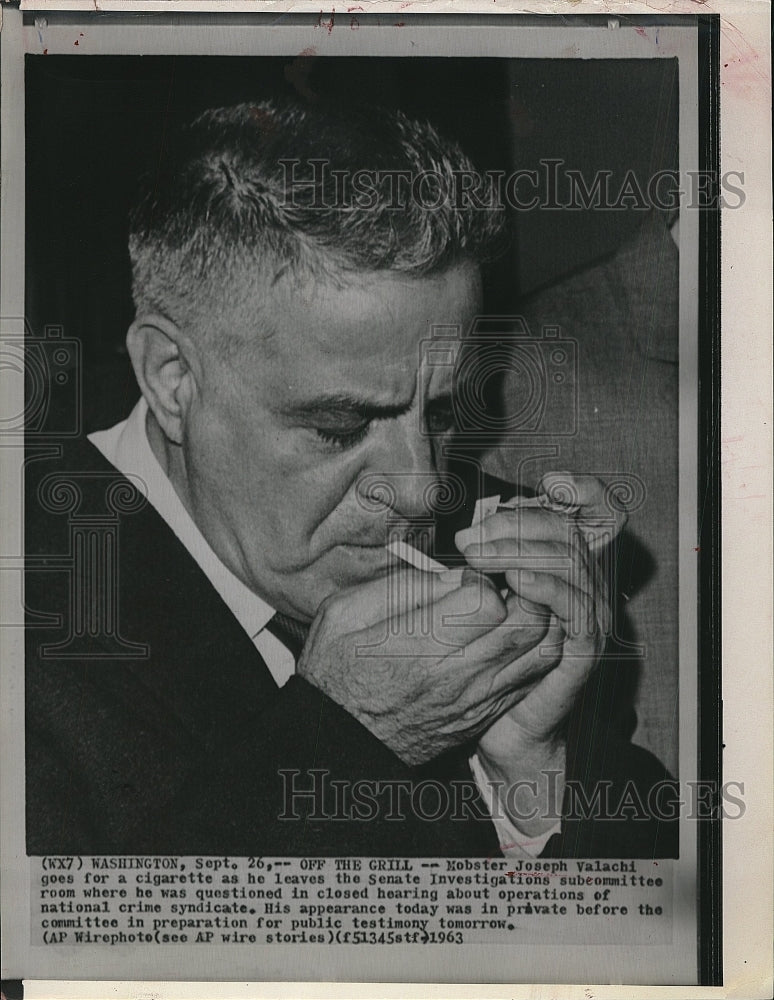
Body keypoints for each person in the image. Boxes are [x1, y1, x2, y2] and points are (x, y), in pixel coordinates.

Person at [25, 99, 676, 858]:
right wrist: (345, 738)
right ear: (173, 379)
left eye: (437, 412)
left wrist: (534, 770)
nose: (422, 489)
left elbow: (672, 930)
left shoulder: (501, 550)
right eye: (340, 427)